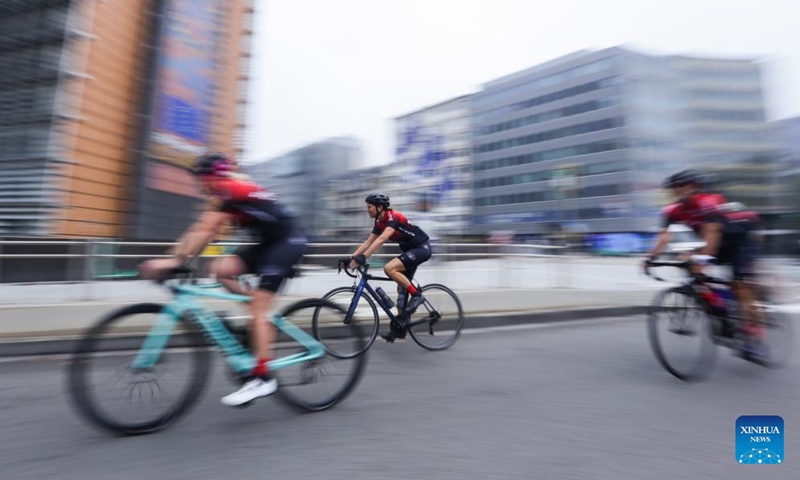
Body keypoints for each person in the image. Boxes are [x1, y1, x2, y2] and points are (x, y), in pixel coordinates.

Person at [139, 152, 307, 406]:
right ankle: (257, 313)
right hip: (268, 243)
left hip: (288, 242)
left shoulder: (229, 189)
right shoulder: (223, 194)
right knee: (220, 268)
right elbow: (199, 229)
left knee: (259, 312)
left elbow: (207, 229)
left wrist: (174, 262)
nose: (200, 184)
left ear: (213, 177)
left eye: (202, 179)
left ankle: (263, 378)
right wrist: (172, 257)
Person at [645, 169, 764, 354]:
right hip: (712, 242)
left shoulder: (709, 201)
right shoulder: (673, 210)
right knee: (691, 267)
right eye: (673, 187)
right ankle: (718, 306)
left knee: (738, 285)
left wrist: (703, 259)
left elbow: (712, 232)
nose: (675, 189)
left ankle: (754, 331)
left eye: (680, 185)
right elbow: (665, 236)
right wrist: (650, 258)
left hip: (737, 242)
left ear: (694, 186)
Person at [343, 193, 432, 342]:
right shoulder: (380, 222)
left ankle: (417, 296)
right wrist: (351, 258)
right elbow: (368, 242)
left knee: (389, 269)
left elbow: (382, 239)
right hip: (410, 251)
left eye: (369, 207)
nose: (367, 210)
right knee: (401, 288)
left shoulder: (393, 217)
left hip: (421, 248)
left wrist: (364, 257)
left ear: (379, 207)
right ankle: (401, 328)